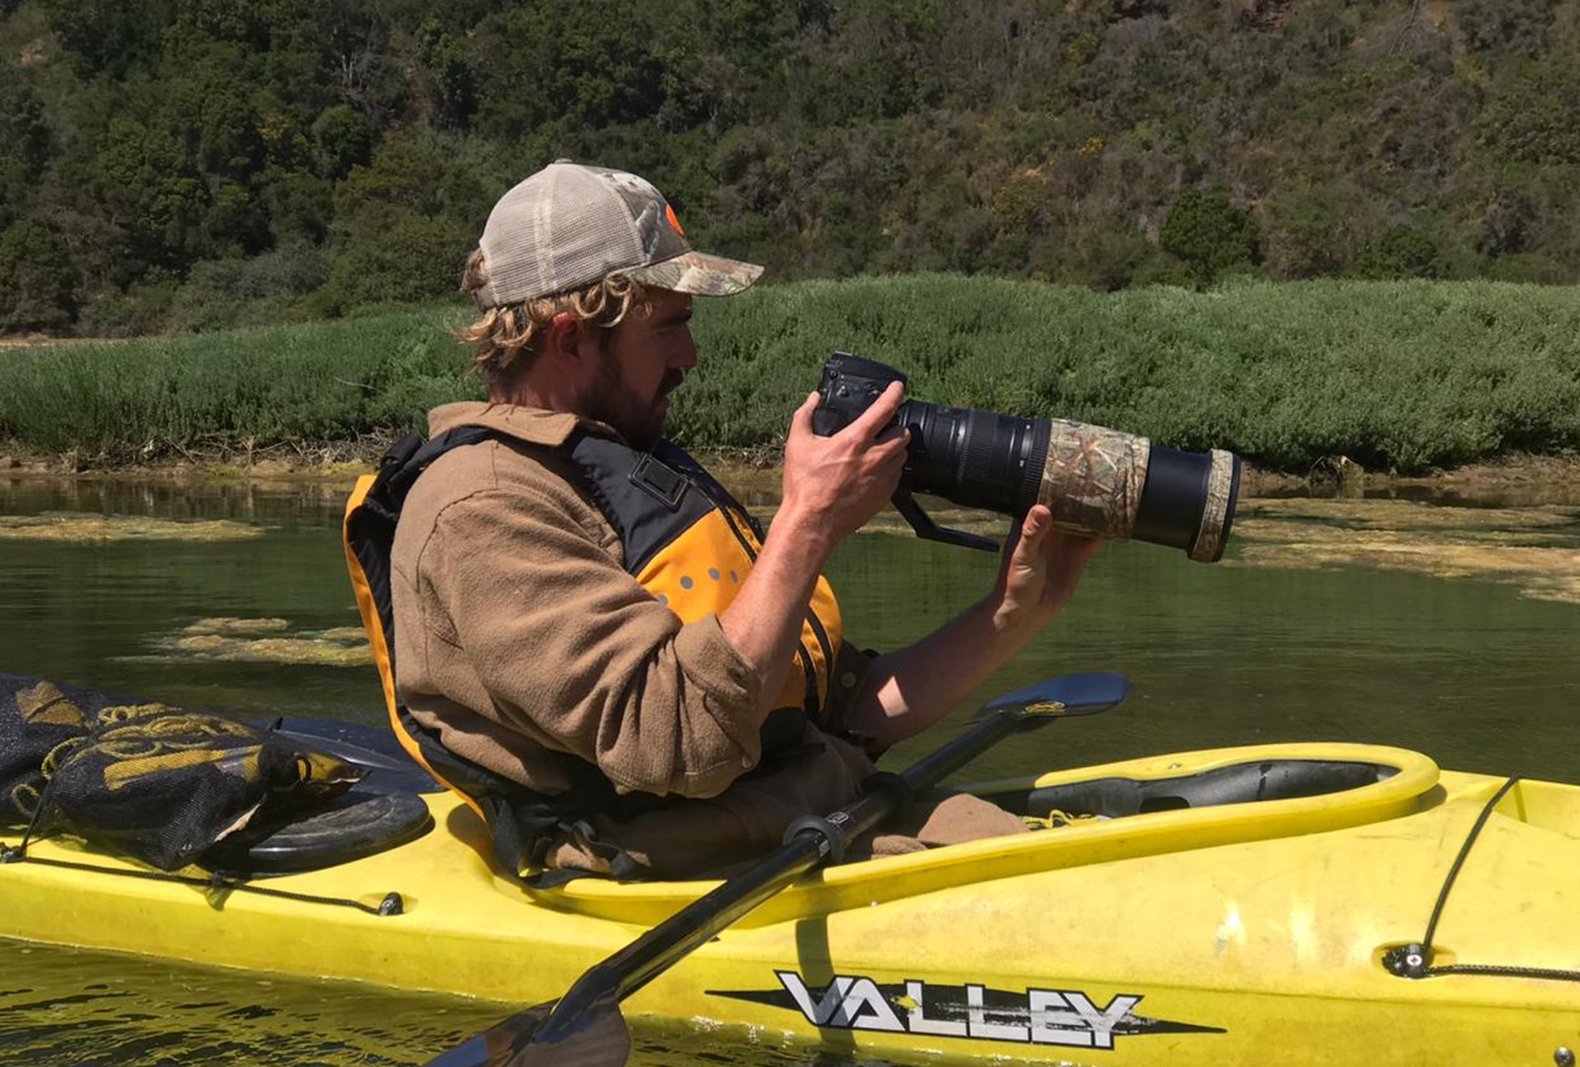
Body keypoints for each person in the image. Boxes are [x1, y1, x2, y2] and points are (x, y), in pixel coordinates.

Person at [386, 161, 1101, 880]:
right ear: (571, 339)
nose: (689, 357)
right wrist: (807, 522)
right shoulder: (481, 508)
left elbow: (840, 712)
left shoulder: (625, 461)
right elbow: (681, 739)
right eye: (670, 328)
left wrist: (1012, 613)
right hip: (696, 878)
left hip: (817, 816)